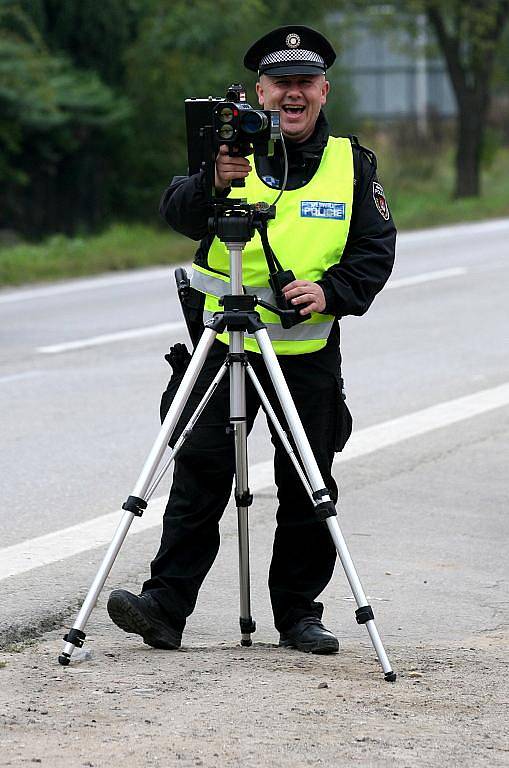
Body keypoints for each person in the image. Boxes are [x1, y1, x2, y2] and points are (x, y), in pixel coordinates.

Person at [107, 25, 396, 654]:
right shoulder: (226, 149)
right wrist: (213, 181)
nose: (292, 95)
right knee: (201, 471)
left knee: (308, 483)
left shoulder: (352, 164)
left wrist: (333, 292)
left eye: (304, 84)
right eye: (280, 84)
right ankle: (164, 605)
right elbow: (179, 215)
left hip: (305, 352)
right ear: (260, 91)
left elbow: (375, 251)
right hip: (219, 347)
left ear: (324, 90)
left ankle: (298, 615)